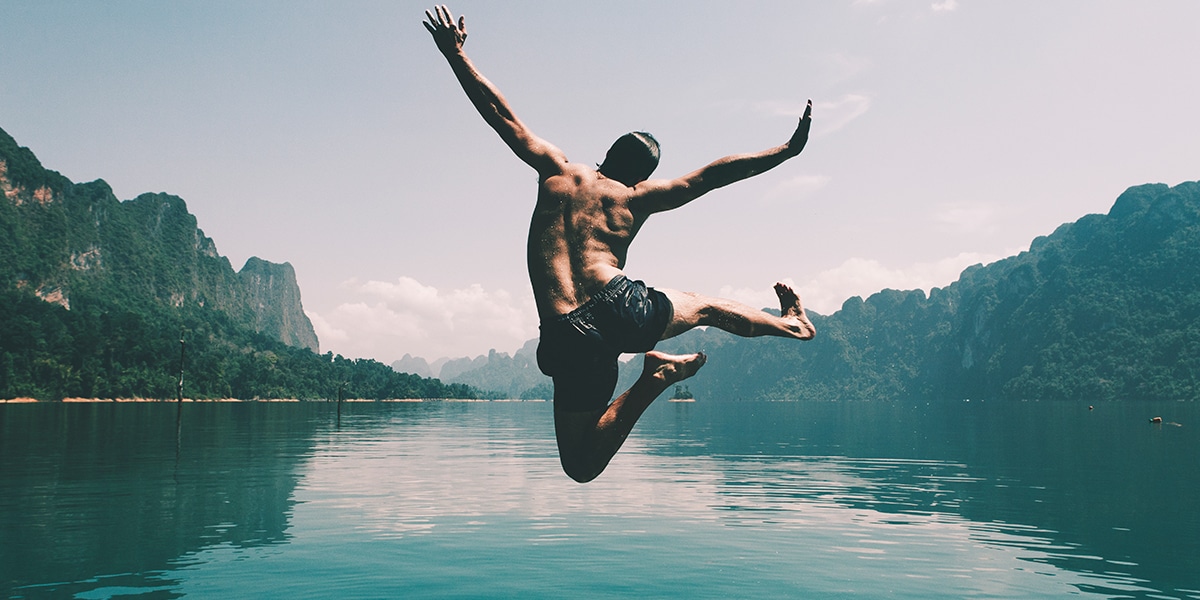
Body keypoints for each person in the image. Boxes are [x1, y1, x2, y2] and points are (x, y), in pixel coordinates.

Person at [424, 5, 816, 483]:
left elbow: (502, 117)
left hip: (565, 332)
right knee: (709, 308)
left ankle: (653, 379)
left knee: (581, 466)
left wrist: (455, 55)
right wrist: (786, 150)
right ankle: (791, 325)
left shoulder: (557, 170)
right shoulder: (636, 197)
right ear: (643, 174)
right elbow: (711, 177)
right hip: (620, 305)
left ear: (607, 152)